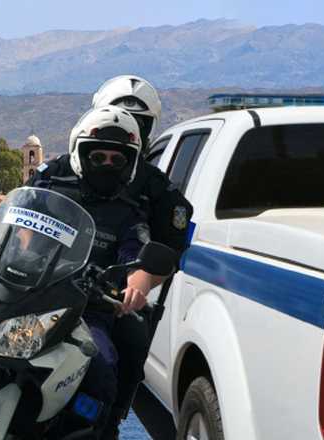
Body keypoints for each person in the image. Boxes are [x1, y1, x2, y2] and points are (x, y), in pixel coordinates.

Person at [0, 105, 160, 437]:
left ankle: (94, 432)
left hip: (86, 311)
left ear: (129, 164)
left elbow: (138, 257)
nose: (106, 164)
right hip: (28, 297)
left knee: (101, 365)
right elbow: (14, 219)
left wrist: (136, 286)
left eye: (116, 159)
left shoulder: (129, 214)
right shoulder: (51, 190)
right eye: (98, 156)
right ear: (82, 155)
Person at [90, 75, 194, 436]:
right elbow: (26, 207)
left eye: (138, 122)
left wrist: (140, 282)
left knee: (125, 347)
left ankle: (106, 423)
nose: (124, 126)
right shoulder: (65, 170)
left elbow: (164, 245)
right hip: (50, 283)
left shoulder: (154, 189)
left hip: (110, 294)